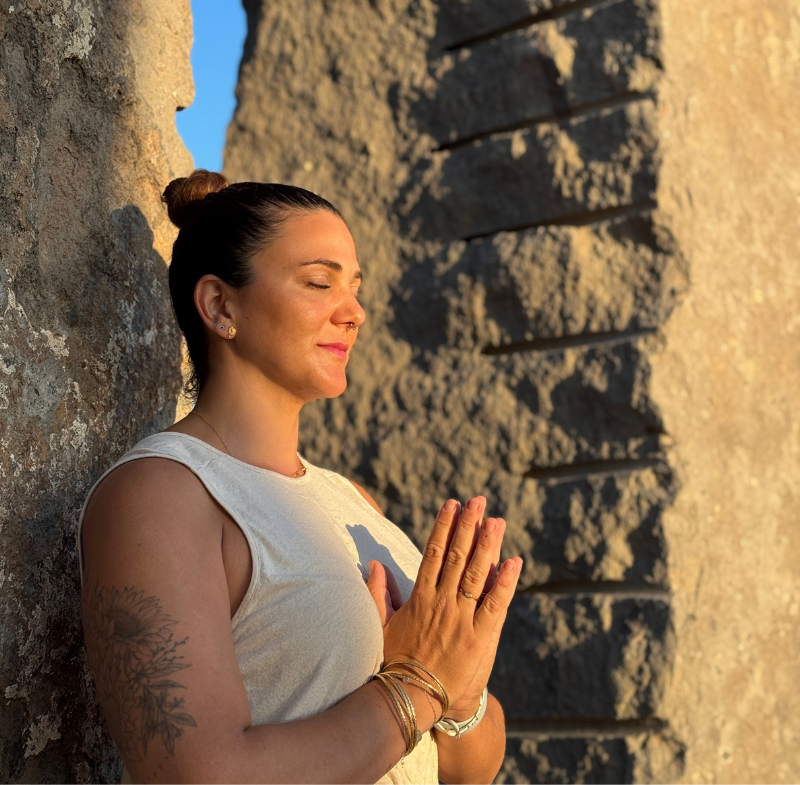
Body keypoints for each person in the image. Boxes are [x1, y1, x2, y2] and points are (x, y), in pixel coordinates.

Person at [78, 170, 523, 784]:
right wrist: (419, 685)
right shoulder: (161, 497)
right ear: (220, 305)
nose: (355, 313)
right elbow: (201, 776)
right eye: (319, 282)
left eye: (355, 288)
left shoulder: (349, 502)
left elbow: (466, 770)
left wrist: (461, 692)